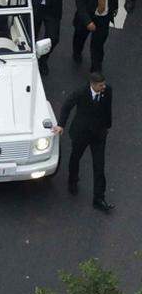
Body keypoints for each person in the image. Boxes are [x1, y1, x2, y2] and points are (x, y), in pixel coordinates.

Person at [56, 71, 113, 211]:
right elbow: (67, 106)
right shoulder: (81, 92)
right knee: (75, 158)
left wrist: (107, 126)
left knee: (99, 166)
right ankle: (73, 181)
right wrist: (61, 124)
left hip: (99, 134)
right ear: (92, 85)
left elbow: (107, 109)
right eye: (100, 85)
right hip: (81, 133)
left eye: (104, 84)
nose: (103, 87)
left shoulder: (108, 90)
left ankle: (99, 198)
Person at [71, 0, 118, 73]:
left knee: (98, 45)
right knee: (80, 38)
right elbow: (80, 4)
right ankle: (77, 53)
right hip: (88, 17)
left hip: (103, 18)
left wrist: (114, 7)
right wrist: (87, 22)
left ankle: (96, 67)